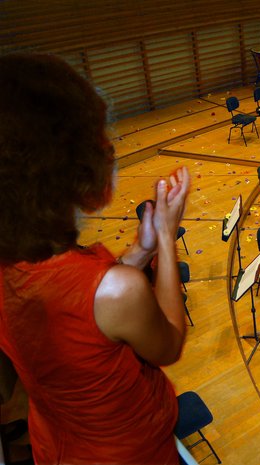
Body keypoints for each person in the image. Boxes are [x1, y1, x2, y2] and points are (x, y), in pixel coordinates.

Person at [0, 54, 190, 464]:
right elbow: (170, 342)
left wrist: (140, 251)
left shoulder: (14, 262)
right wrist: (165, 237)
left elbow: (83, 303)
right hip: (126, 452)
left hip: (58, 442)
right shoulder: (118, 290)